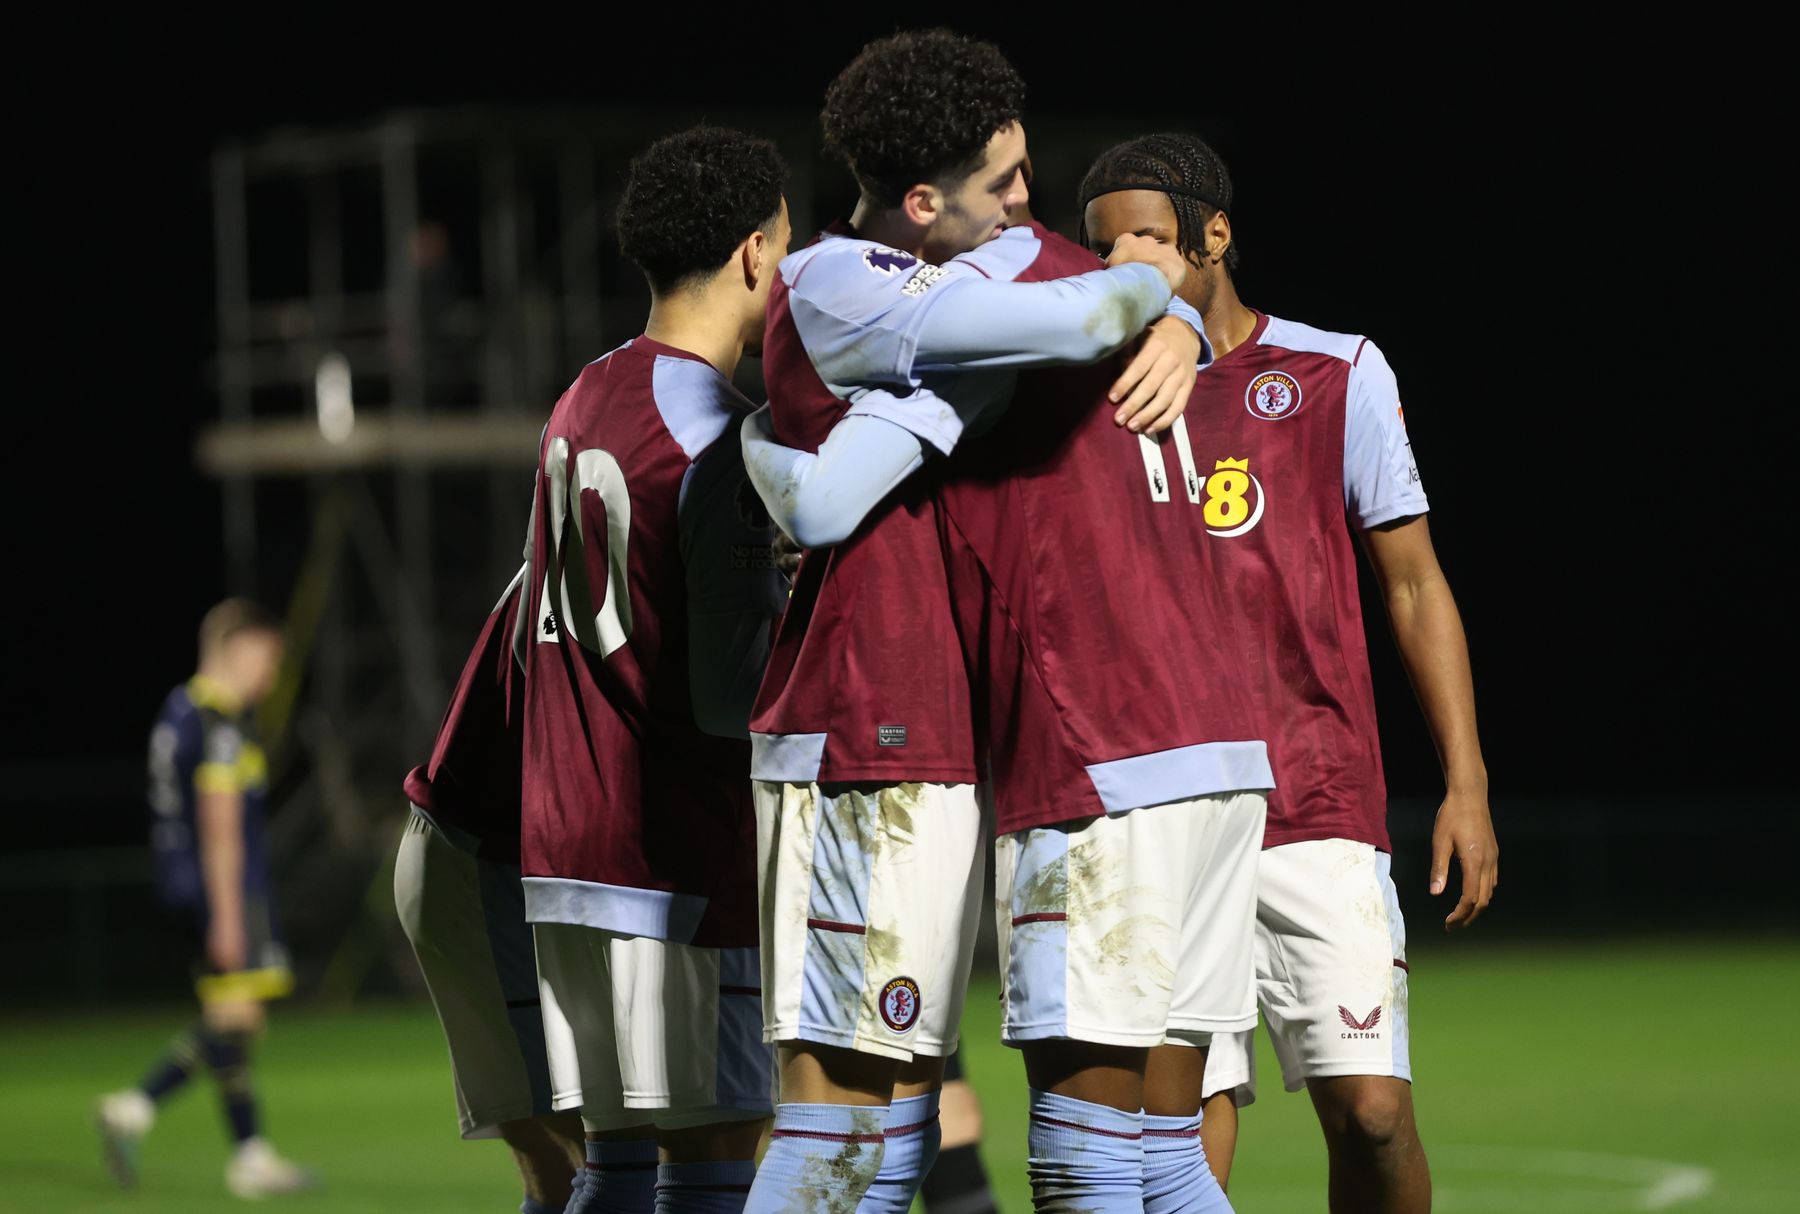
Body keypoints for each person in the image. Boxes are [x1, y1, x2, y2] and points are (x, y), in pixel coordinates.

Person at [739, 28, 1208, 1214]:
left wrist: (1179, 319)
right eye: (1001, 179)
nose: (1025, 194)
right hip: (857, 722)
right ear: (917, 201)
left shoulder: (968, 286)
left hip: (943, 734)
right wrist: (1157, 286)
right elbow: (833, 493)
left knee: (903, 1122)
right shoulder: (841, 283)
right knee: (851, 1117)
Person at [1079, 131, 1500, 1214]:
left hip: (1315, 800)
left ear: (1214, 235)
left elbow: (1412, 584)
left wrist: (1467, 780)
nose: (1121, 256)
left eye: (1146, 233)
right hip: (1163, 813)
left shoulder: (1334, 371)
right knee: (1185, 1146)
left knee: (1372, 1113)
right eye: (1101, 241)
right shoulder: (1088, 398)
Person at [519, 125, 790, 1214]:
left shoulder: (581, 393)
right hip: (670, 848)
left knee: (618, 1171)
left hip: (566, 843)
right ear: (754, 254)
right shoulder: (715, 429)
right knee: (714, 1169)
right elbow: (731, 698)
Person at [95, 598, 318, 1198]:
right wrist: (226, 917)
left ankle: (250, 1154)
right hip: (224, 890)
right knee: (237, 1018)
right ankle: (133, 1107)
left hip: (183, 882)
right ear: (237, 647)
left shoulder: (178, 711)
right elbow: (220, 829)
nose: (272, 677)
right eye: (268, 659)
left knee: (239, 1023)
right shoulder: (220, 723)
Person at [395, 566, 586, 1214]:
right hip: (486, 868)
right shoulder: (599, 550)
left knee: (572, 1175)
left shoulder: (582, 536)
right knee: (609, 1164)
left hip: (501, 865)